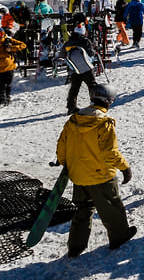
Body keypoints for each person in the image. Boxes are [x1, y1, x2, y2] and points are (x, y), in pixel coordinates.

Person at [56, 83, 136, 257]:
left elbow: (61, 146)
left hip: (78, 176)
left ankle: (75, 246)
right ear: (108, 101)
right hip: (101, 176)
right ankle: (119, 236)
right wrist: (125, 168)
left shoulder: (74, 119)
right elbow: (110, 153)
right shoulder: (104, 123)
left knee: (82, 209)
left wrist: (67, 165)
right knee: (112, 208)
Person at [57, 24, 98, 114]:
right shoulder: (85, 41)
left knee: (74, 88)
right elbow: (91, 53)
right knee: (92, 85)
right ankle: (95, 104)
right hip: (87, 68)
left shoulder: (68, 42)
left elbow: (62, 55)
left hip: (74, 68)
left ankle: (71, 106)